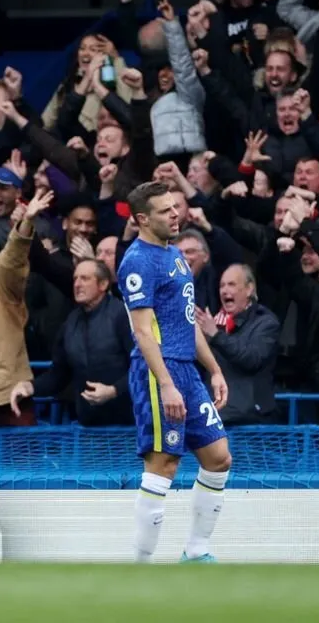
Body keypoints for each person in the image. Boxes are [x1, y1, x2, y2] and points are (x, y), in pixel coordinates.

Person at [118, 181, 232, 563]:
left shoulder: (175, 256)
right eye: (165, 210)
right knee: (164, 463)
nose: (175, 213)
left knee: (218, 457)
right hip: (157, 373)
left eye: (175, 207)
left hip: (188, 370)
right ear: (142, 219)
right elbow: (143, 330)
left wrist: (213, 368)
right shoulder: (137, 260)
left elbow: (187, 320)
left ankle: (196, 551)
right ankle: (140, 566)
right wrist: (166, 383)